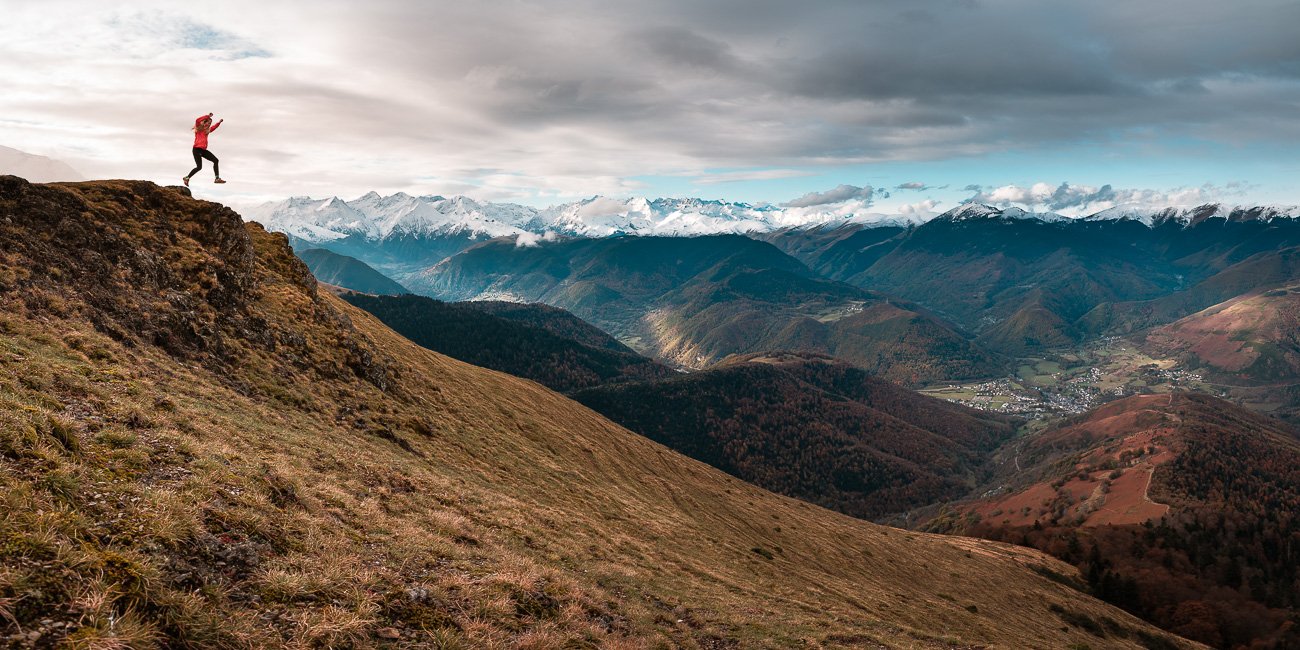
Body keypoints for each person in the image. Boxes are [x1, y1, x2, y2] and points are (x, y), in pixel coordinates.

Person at [183, 113, 225, 186]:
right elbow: (197, 120)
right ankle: (187, 177)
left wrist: (219, 122)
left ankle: (217, 178)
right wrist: (208, 116)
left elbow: (214, 127)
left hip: (203, 150)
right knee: (199, 167)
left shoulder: (207, 131)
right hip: (196, 150)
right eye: (208, 122)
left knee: (216, 160)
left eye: (210, 123)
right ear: (205, 122)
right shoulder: (199, 128)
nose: (209, 124)